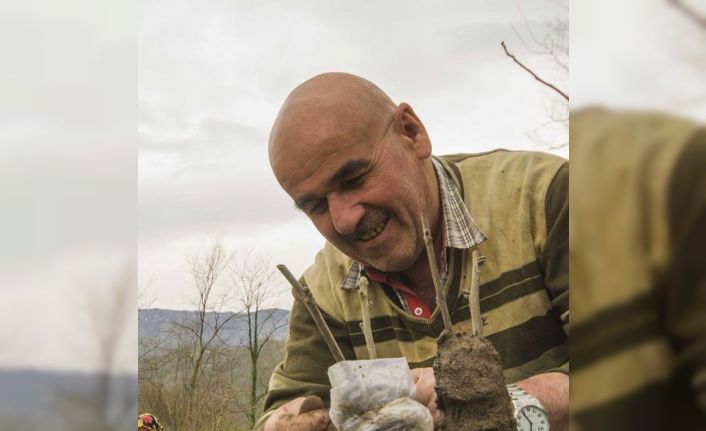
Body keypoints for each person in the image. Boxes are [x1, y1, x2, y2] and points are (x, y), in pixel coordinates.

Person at [258, 72, 569, 430]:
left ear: (411, 132)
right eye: (315, 206)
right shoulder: (323, 292)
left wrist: (505, 404)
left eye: (354, 179)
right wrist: (292, 422)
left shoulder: (545, 200)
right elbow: (284, 407)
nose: (344, 220)